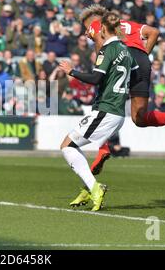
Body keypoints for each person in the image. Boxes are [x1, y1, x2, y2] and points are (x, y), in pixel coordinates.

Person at [80, 4, 165, 175]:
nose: (87, 32)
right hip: (142, 61)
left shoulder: (96, 24)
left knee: (103, 104)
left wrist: (99, 58)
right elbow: (154, 32)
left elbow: (102, 48)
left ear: (93, 20)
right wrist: (142, 55)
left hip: (119, 58)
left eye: (86, 28)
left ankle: (103, 148)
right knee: (139, 117)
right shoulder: (127, 24)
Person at [58, 12, 138, 211]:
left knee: (67, 146)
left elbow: (95, 79)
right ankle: (89, 188)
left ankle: (94, 189)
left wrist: (71, 72)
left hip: (106, 109)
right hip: (117, 111)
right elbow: (136, 76)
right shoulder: (126, 50)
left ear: (102, 29)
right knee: (70, 145)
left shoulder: (107, 50)